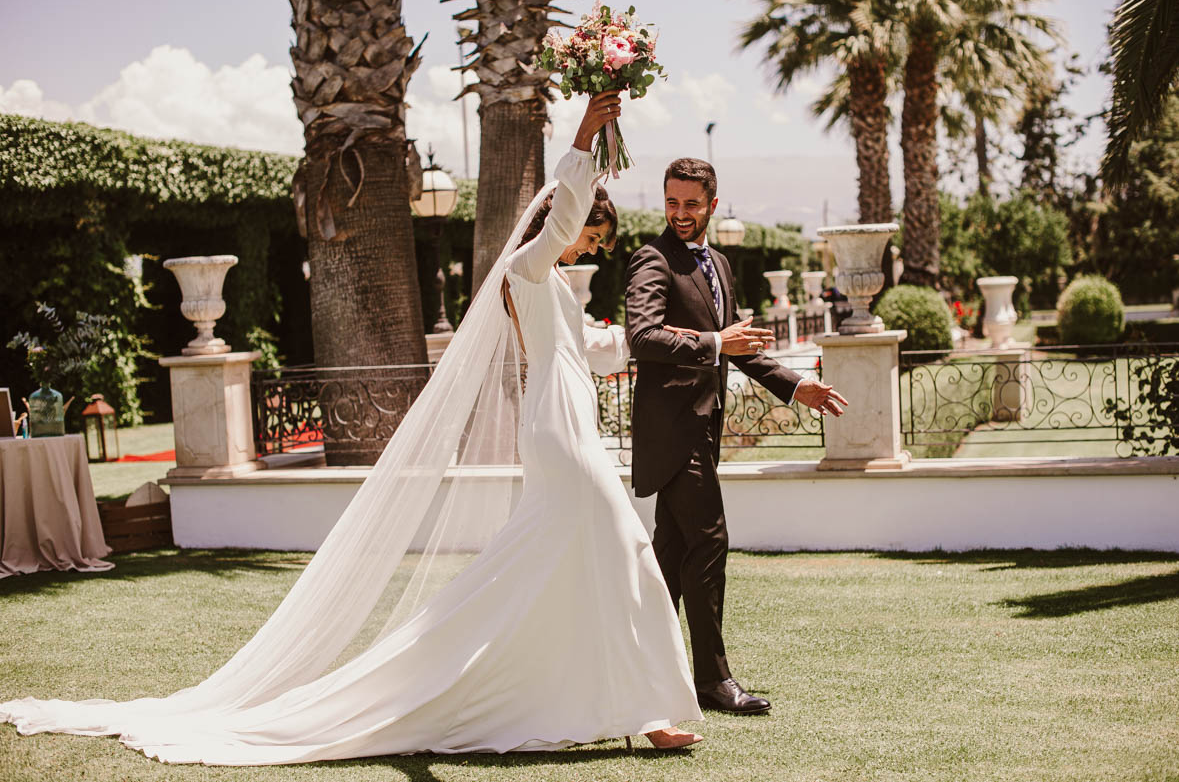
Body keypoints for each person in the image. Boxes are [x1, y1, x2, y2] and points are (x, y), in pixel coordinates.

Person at [0, 91, 702, 764]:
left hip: (567, 417)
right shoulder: (525, 268)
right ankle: (648, 710)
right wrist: (583, 135)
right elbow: (561, 215)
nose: (591, 249)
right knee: (623, 545)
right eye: (590, 236)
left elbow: (604, 349)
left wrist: (700, 338)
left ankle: (584, 695)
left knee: (561, 559)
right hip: (561, 429)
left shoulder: (553, 288)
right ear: (563, 223)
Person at [624, 157, 849, 714]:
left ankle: (629, 662)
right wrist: (717, 343)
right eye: (672, 203)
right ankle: (712, 681)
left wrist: (797, 386)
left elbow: (738, 346)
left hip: (702, 433)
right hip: (672, 436)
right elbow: (642, 336)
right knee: (709, 543)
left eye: (691, 204)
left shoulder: (720, 264)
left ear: (712, 206)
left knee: (669, 556)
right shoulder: (651, 259)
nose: (680, 213)